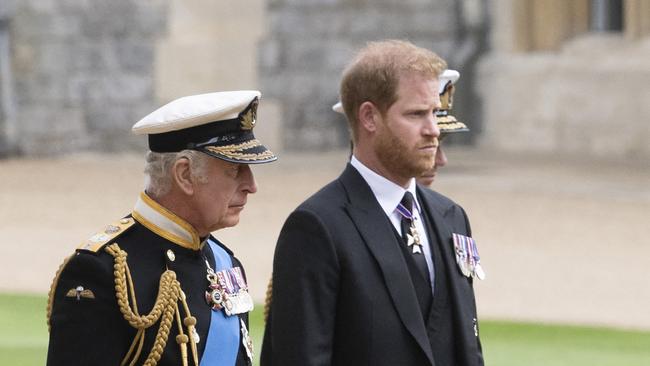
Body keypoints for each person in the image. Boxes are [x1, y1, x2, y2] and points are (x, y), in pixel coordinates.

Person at [261, 40, 484, 366]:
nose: (433, 130)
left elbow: (465, 347)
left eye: (434, 113)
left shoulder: (451, 217)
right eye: (416, 114)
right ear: (369, 117)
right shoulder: (317, 227)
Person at [46, 90, 276, 366]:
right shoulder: (102, 271)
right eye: (235, 170)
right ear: (185, 175)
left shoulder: (224, 263)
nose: (252, 186)